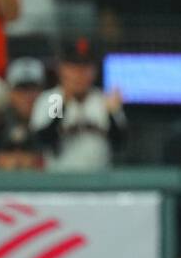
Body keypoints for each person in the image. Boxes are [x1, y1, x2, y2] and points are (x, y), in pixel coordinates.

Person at [29, 37, 126, 171]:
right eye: (73, 67)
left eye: (85, 67)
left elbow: (119, 145)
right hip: (59, 181)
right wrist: (63, 104)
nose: (79, 73)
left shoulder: (104, 100)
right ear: (62, 69)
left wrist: (111, 115)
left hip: (99, 181)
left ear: (94, 71)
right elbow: (45, 140)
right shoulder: (54, 99)